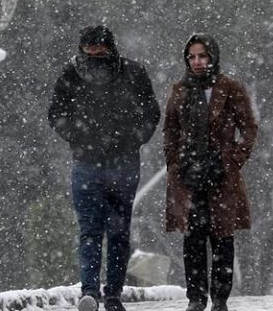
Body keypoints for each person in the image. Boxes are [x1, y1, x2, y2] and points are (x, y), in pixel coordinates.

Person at [48, 25, 160, 311]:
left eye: (99, 52)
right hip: (89, 163)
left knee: (112, 232)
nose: (94, 57)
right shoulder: (72, 74)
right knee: (95, 230)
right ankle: (93, 291)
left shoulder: (133, 73)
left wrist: (131, 139)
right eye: (90, 52)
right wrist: (80, 137)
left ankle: (110, 293)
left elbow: (150, 113)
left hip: (119, 164)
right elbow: (57, 113)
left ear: (109, 49)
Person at [163, 33, 258, 311]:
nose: (197, 62)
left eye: (202, 56)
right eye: (191, 56)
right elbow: (170, 129)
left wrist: (234, 159)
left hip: (221, 175)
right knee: (193, 239)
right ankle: (195, 298)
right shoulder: (180, 89)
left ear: (212, 56)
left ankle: (219, 299)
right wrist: (175, 162)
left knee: (222, 237)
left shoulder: (230, 87)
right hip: (189, 175)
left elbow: (249, 127)